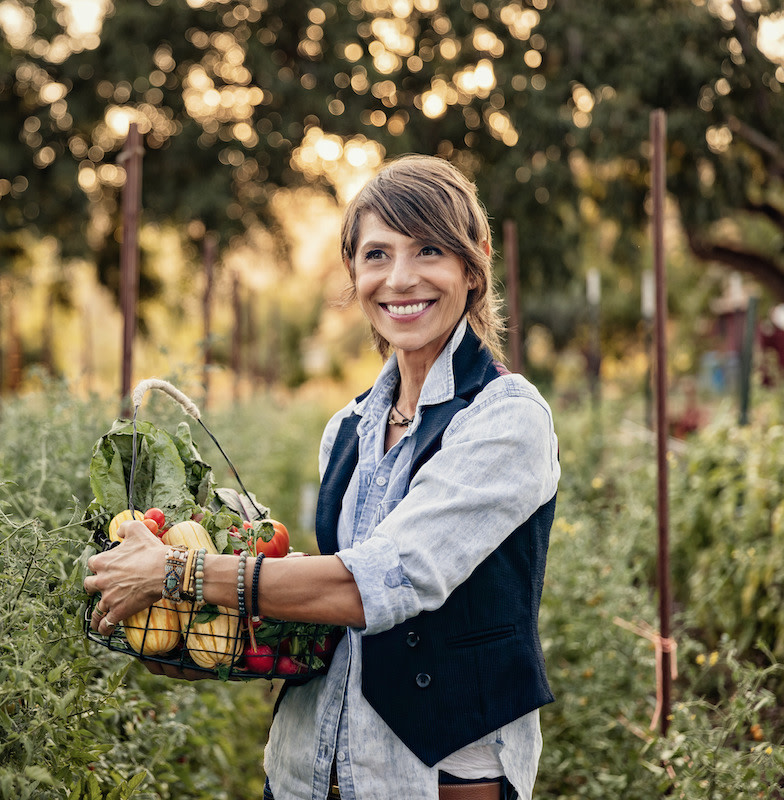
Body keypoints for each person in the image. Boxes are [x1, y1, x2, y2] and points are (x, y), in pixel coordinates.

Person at [84, 154, 559, 800]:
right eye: (376, 255)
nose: (400, 278)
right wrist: (211, 635)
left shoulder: (505, 418)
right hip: (313, 767)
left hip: (432, 778)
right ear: (354, 273)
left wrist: (180, 573)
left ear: (473, 265)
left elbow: (383, 582)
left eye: (428, 251)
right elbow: (332, 615)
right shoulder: (349, 427)